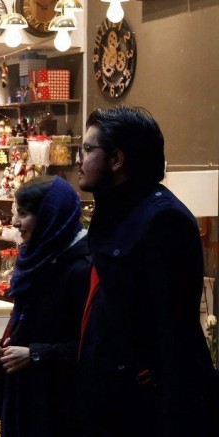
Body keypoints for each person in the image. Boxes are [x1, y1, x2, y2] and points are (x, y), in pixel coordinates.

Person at [73, 105, 213, 436]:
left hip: (141, 407)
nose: (80, 159)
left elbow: (173, 334)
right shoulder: (117, 213)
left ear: (117, 160)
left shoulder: (163, 220)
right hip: (109, 397)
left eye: (88, 149)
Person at [0, 175, 90, 437]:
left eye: (23, 214)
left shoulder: (81, 267)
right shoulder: (37, 257)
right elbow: (29, 320)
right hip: (25, 396)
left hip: (57, 403)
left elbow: (91, 346)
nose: (15, 223)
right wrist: (6, 345)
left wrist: (34, 354)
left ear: (49, 216)